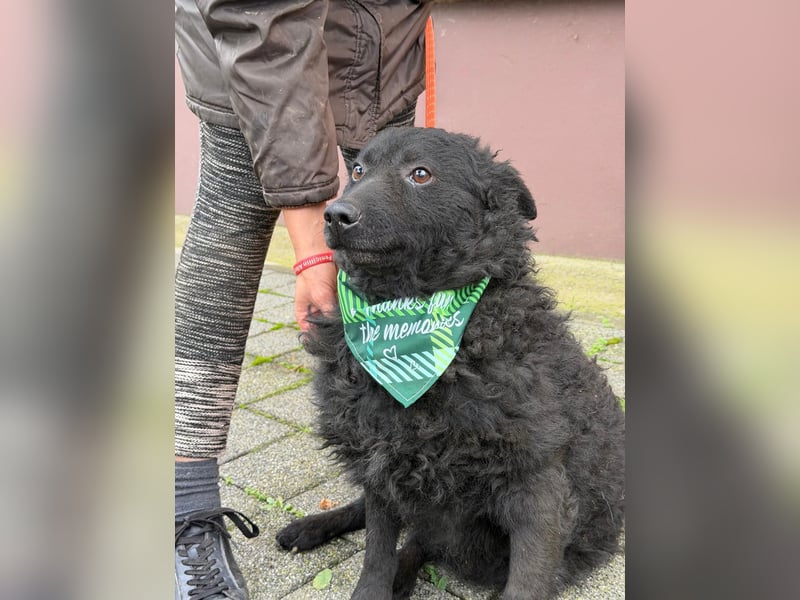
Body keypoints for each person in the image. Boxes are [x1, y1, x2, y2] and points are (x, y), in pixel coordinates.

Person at [173, 1, 432, 598]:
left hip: (374, 59)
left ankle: (396, 478)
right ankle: (187, 505)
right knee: (230, 236)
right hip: (252, 55)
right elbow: (259, 23)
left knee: (391, 257)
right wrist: (311, 249)